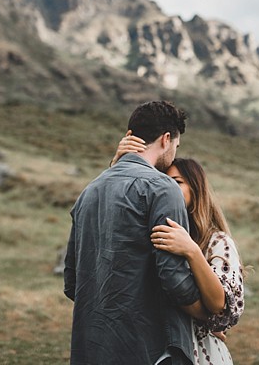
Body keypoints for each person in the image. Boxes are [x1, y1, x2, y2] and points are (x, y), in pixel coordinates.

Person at [64, 100, 206, 365]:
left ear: (130, 136)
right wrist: (208, 312)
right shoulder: (163, 189)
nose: (174, 155)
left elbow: (72, 281)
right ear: (166, 139)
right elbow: (174, 279)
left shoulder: (88, 191)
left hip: (91, 346)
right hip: (151, 348)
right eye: (176, 146)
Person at [114, 137, 245, 365]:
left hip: (200, 353)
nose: (167, 188)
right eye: (163, 182)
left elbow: (218, 304)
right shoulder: (154, 236)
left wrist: (192, 251)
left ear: (196, 191)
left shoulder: (217, 242)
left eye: (177, 182)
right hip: (153, 345)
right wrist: (117, 166)